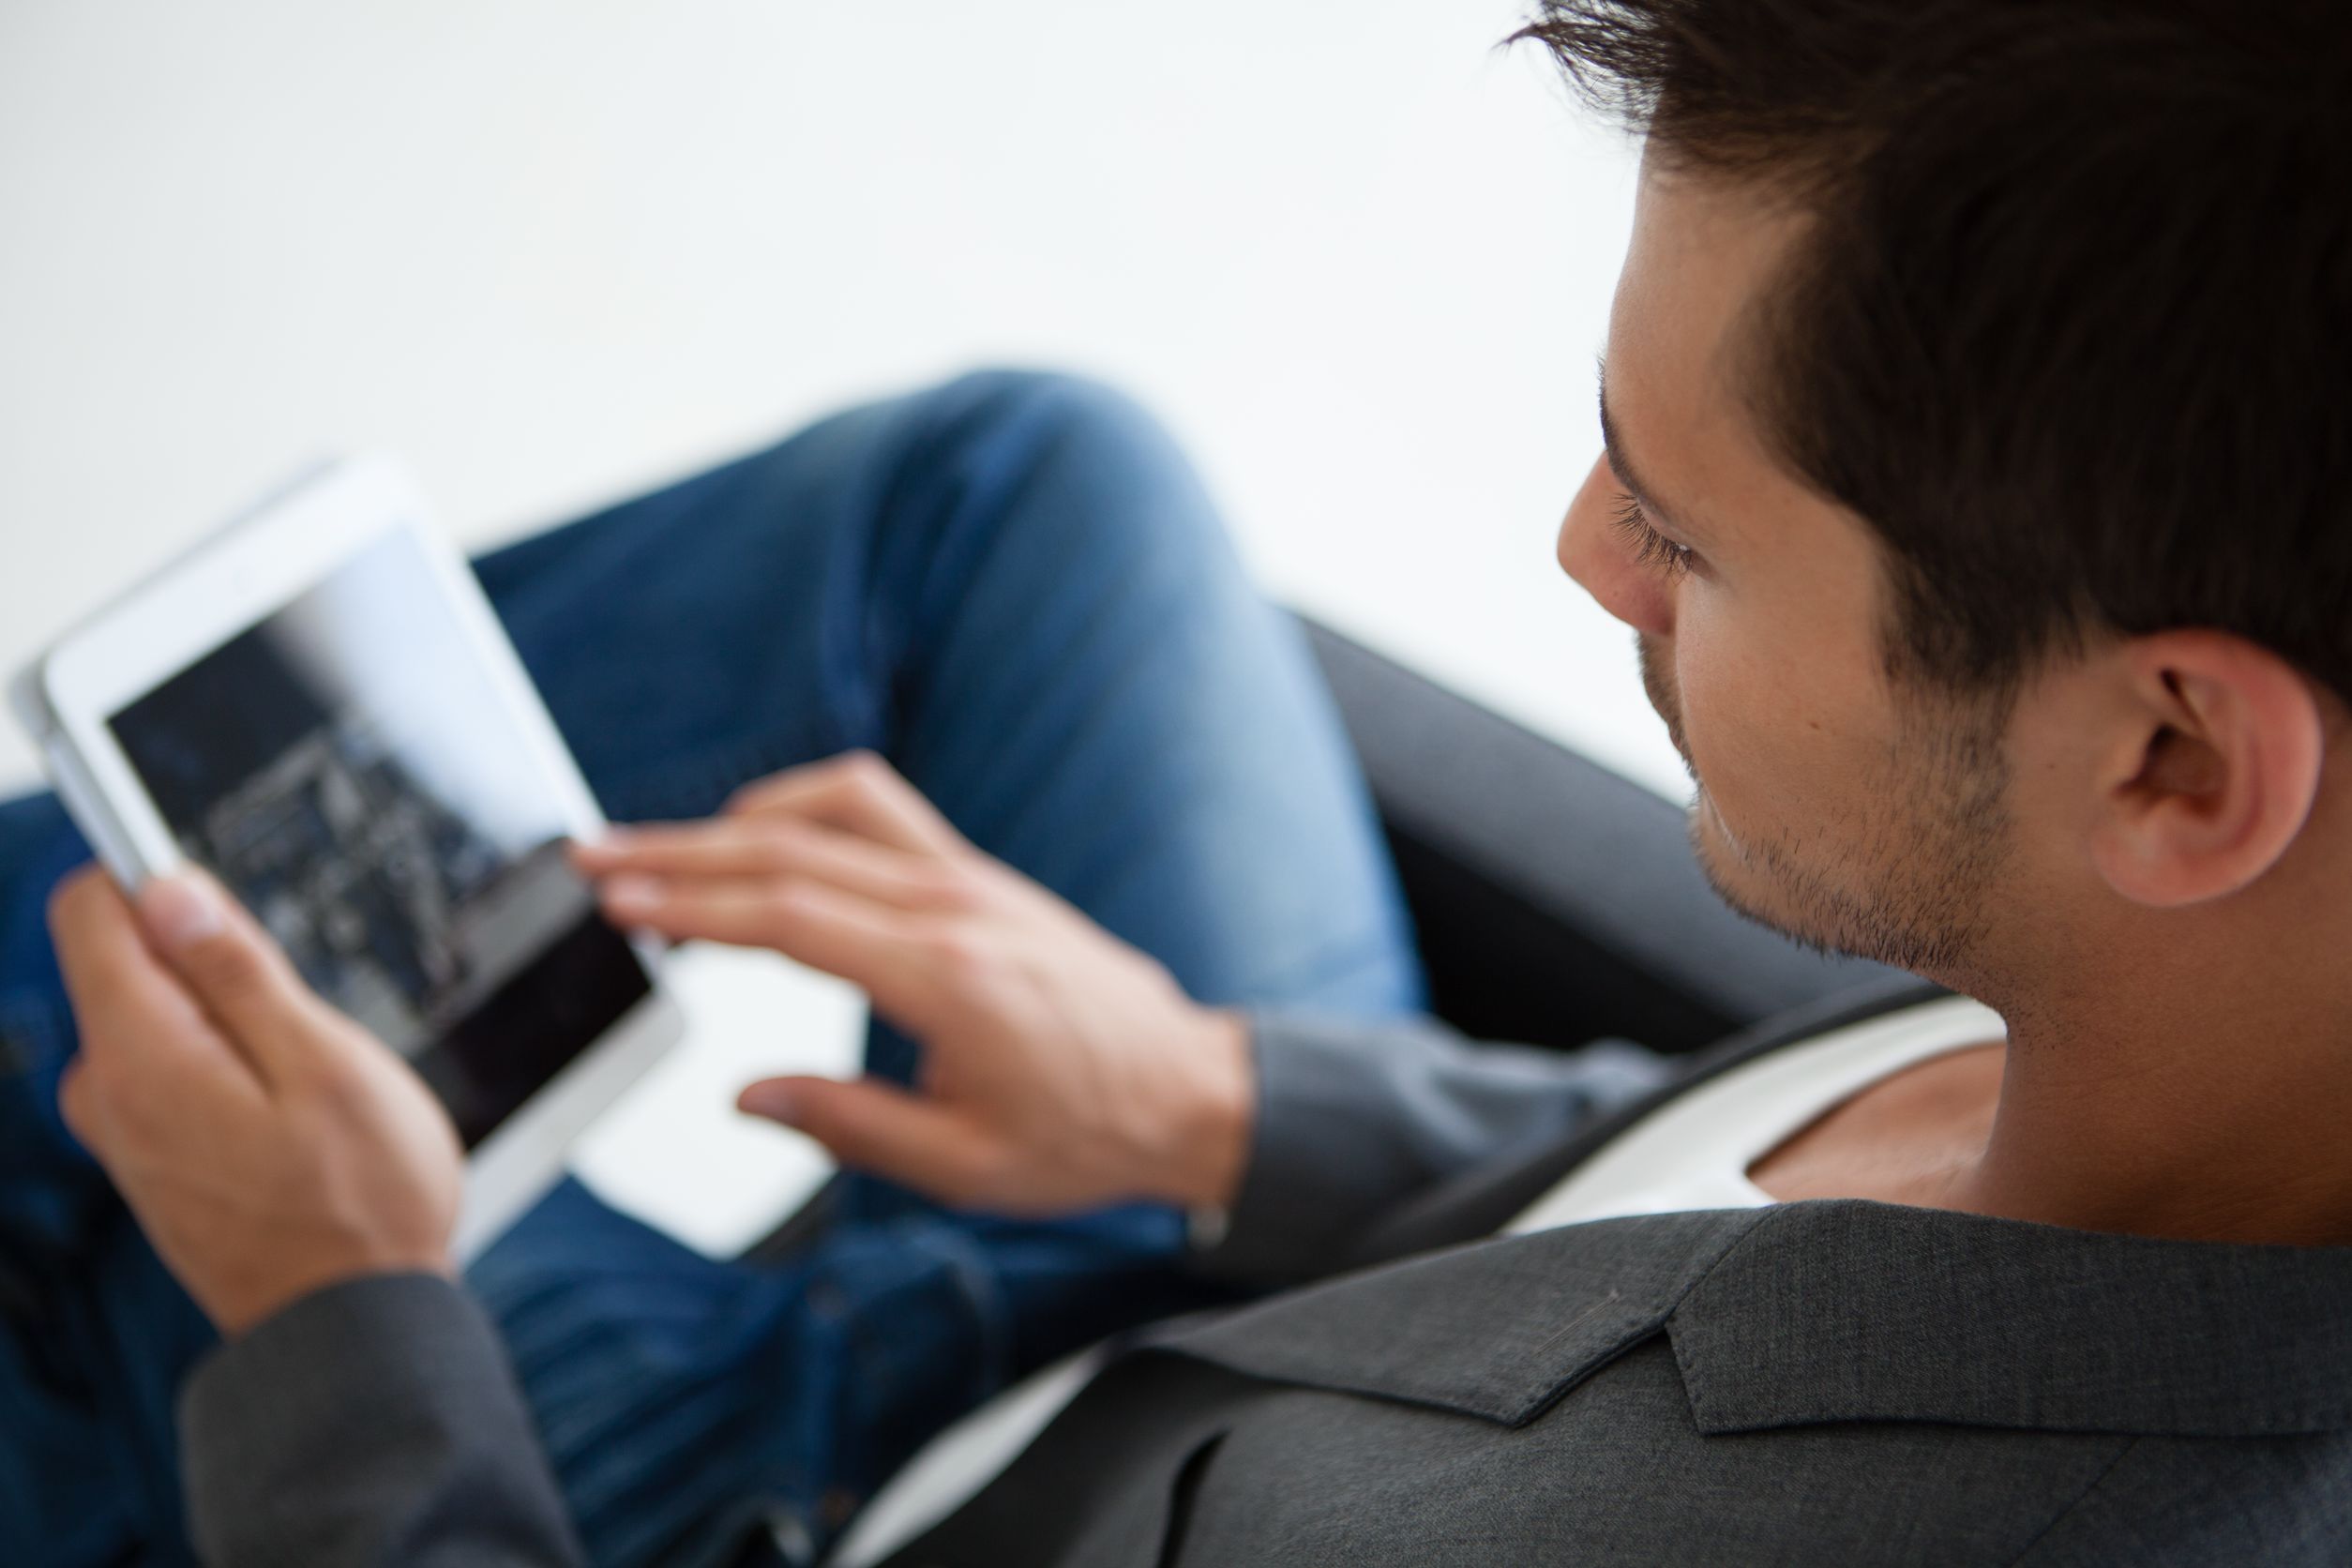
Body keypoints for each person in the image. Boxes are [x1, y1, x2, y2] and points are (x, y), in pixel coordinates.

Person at [15, 0, 2352, 1561]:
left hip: (846, 1516)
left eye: (1689, 532)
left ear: (2170, 755)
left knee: (117, 1081)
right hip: (1256, 1305)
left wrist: (345, 1325)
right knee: (1035, 484)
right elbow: (1699, 1181)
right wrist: (1209, 1101)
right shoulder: (2231, 1010)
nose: (1580, 550)